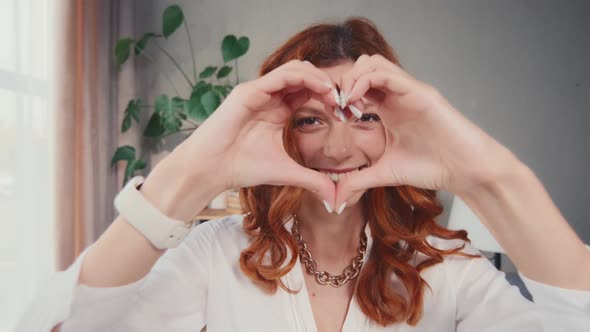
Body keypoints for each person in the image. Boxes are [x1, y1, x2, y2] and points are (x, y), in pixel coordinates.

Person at [16, 17, 590, 332]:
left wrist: (488, 175)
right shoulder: (215, 256)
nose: (340, 147)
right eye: (313, 119)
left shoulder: (446, 268)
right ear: (281, 128)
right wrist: (192, 169)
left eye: (365, 116)